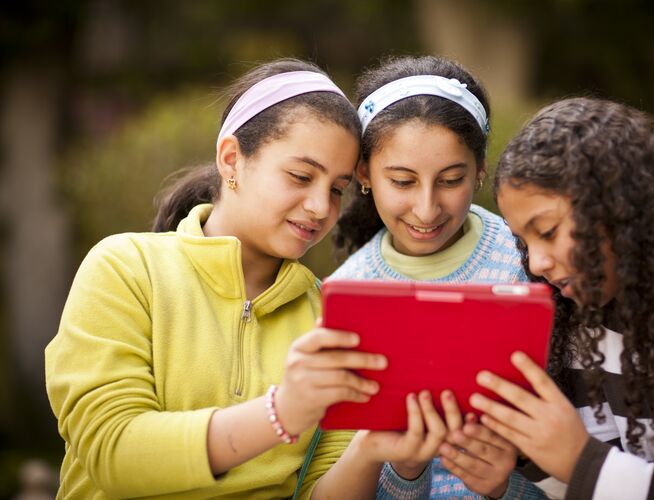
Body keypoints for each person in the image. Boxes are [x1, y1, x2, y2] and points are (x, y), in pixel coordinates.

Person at [45, 59, 451, 499]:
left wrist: (374, 449)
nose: (320, 207)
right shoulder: (125, 268)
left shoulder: (330, 317)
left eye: (336, 189)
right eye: (300, 176)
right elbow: (112, 452)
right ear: (231, 159)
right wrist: (281, 412)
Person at [475, 96, 654, 499]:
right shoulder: (582, 319)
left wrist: (579, 460)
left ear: (619, 206)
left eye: (548, 231)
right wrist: (525, 455)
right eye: (523, 242)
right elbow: (612, 484)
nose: (536, 264)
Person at [330, 55, 546, 500]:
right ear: (365, 174)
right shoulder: (351, 292)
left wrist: (507, 488)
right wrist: (406, 470)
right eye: (403, 182)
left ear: (481, 168)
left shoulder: (532, 257)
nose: (427, 210)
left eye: (450, 180)